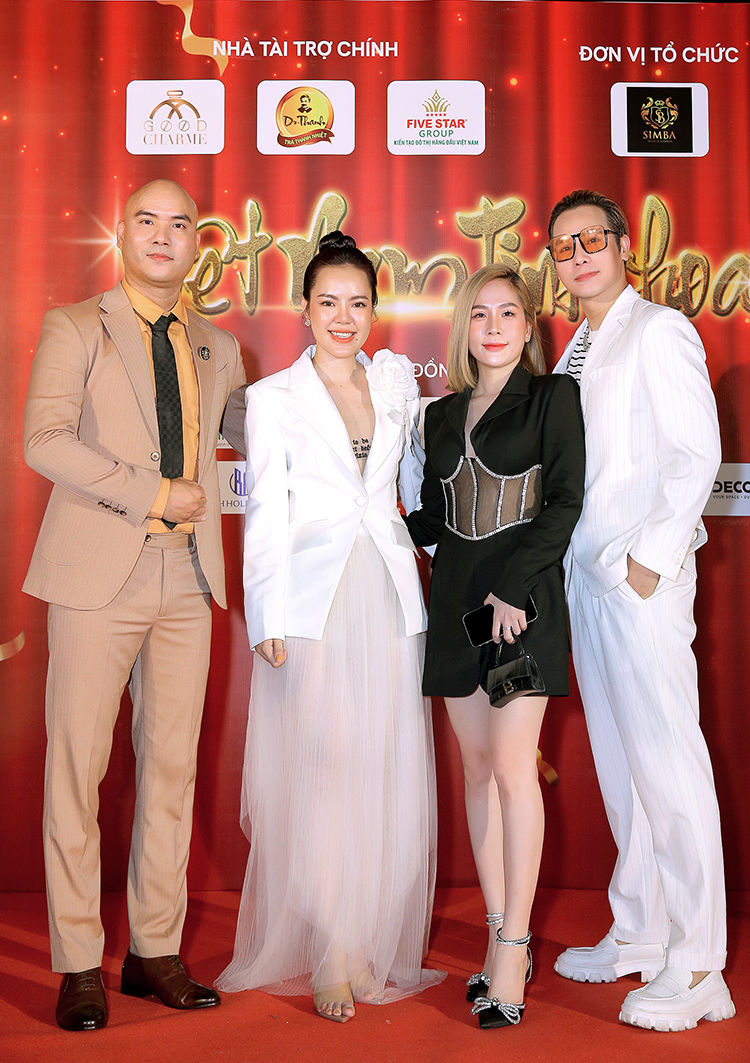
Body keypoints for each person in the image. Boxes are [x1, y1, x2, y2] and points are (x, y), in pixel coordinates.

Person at [23, 179, 247, 1032]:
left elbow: (258, 435)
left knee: (171, 769)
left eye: (179, 223)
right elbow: (43, 439)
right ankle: (79, 961)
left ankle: (155, 950)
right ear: (121, 233)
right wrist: (152, 492)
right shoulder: (76, 325)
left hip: (188, 578)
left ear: (197, 243)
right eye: (146, 220)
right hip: (95, 574)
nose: (162, 235)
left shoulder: (219, 345)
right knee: (76, 771)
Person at [216, 231, 444, 1022]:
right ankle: (327, 946)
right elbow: (264, 513)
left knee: (381, 766)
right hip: (312, 603)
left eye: (357, 303)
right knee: (324, 768)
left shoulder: (394, 387)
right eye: (328, 302)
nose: (343, 316)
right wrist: (266, 615)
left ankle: (356, 941)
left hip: (387, 595)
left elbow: (414, 491)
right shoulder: (274, 399)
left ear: (374, 310)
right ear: (304, 310)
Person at [547, 189, 734, 1032]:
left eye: (592, 238)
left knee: (668, 764)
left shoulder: (659, 330)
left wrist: (648, 565)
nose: (579, 254)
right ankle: (640, 931)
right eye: (563, 245)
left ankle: (698, 963)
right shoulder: (574, 350)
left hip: (638, 583)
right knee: (623, 769)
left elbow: (697, 453)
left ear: (625, 245)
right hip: (586, 582)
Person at [405, 264, 585, 1030]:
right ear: (463, 327)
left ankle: (513, 951)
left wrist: (513, 589)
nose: (494, 326)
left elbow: (565, 502)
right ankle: (496, 930)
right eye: (480, 313)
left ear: (528, 324)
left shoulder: (553, 398)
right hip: (456, 611)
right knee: (477, 772)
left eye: (508, 312)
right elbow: (432, 518)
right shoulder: (439, 415)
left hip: (521, 609)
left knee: (515, 771)